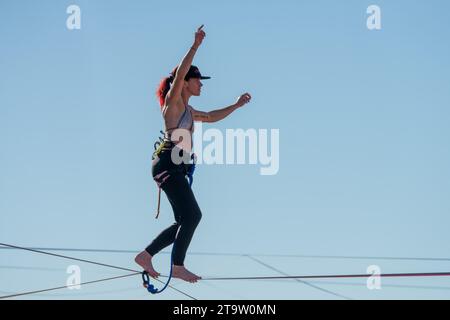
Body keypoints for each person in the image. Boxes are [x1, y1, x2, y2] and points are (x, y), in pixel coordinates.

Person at [135, 25, 252, 283]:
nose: (201, 84)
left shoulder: (189, 111)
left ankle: (146, 255)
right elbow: (177, 79)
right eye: (198, 80)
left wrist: (237, 105)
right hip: (167, 164)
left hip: (174, 167)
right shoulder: (173, 104)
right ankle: (177, 265)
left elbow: (211, 117)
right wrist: (196, 46)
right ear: (186, 82)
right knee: (193, 215)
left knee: (183, 222)